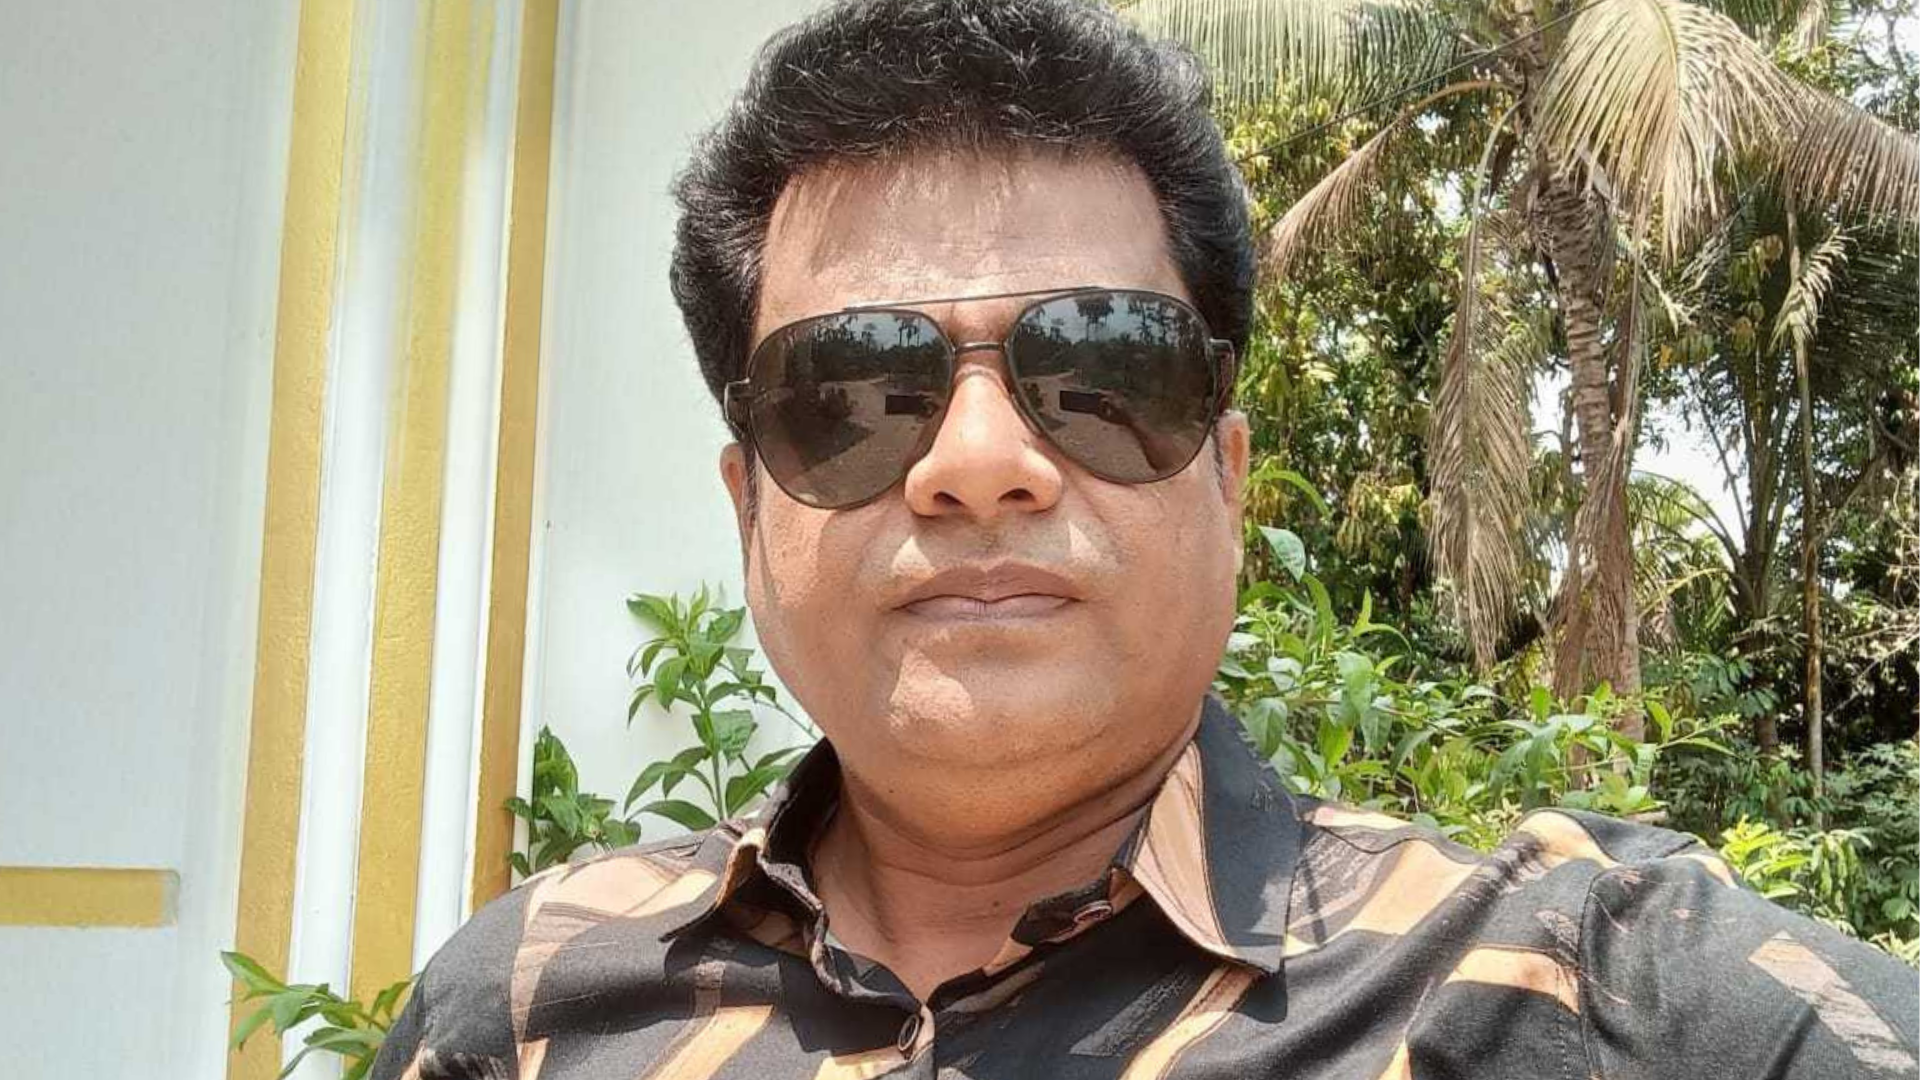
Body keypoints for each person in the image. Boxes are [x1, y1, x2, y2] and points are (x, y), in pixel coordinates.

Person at [369, 1, 1920, 1077]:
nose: (981, 465)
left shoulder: (1579, 992)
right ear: (748, 502)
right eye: (855, 390)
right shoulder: (522, 1009)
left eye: (1101, 372)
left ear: (1226, 482)